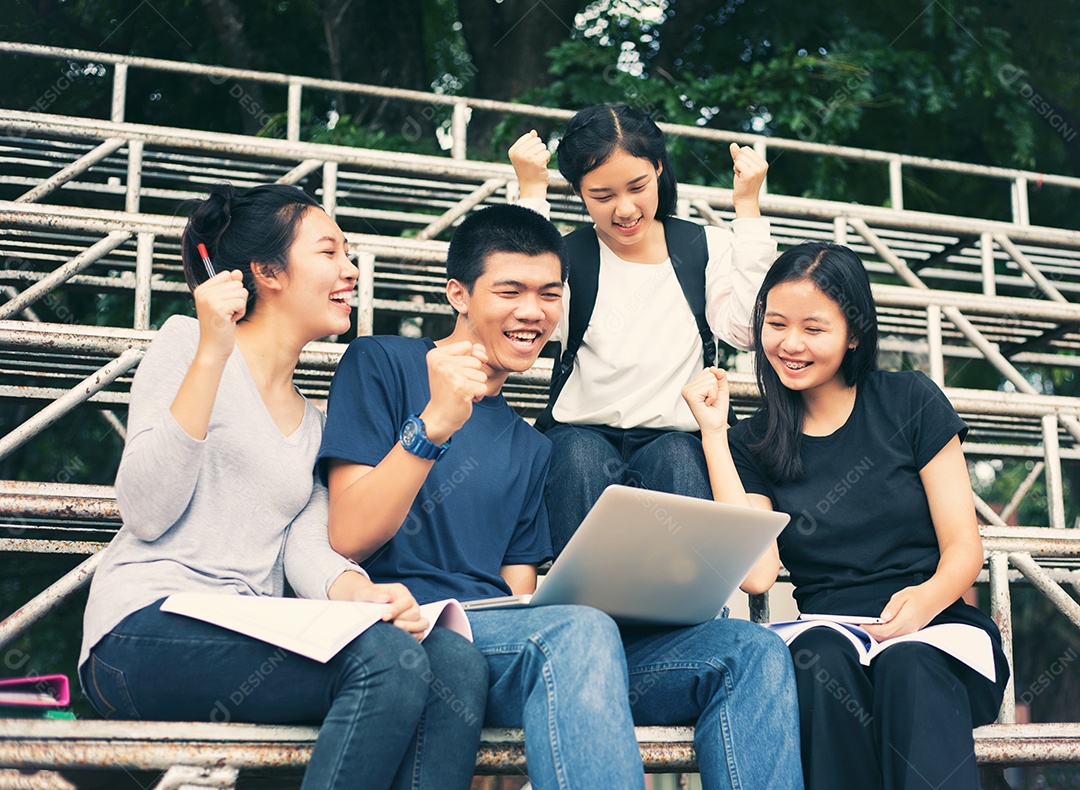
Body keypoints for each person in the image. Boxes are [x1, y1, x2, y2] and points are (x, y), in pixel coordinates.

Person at [320, 203, 803, 790]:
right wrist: (433, 425)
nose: (533, 312)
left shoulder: (530, 443)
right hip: (407, 627)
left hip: (513, 645)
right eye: (510, 291)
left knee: (750, 648)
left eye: (550, 294)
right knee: (578, 629)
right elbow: (348, 535)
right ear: (459, 294)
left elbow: (518, 590)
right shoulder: (383, 363)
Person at [79, 183, 488, 790]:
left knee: (451, 657)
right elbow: (144, 510)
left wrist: (365, 593)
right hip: (142, 628)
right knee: (384, 663)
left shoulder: (314, 421)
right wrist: (212, 352)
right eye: (330, 253)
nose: (350, 270)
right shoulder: (187, 345)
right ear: (267, 272)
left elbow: (307, 548)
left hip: (254, 634)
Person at [681, 241, 1010, 790]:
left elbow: (963, 546)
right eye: (776, 323)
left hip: (932, 626)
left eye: (814, 328)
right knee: (817, 661)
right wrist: (715, 436)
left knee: (907, 667)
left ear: (854, 333)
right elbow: (758, 574)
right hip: (831, 632)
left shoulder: (909, 401)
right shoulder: (754, 441)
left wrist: (924, 601)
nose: (790, 344)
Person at [509, 105, 776, 554]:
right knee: (577, 458)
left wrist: (747, 208)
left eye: (638, 187)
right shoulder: (567, 254)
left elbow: (748, 331)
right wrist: (532, 191)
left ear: (658, 169)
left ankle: (685, 614)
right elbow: (521, 304)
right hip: (582, 431)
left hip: (678, 436)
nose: (626, 209)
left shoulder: (702, 247)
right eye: (602, 195)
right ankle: (585, 613)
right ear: (577, 191)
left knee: (678, 457)